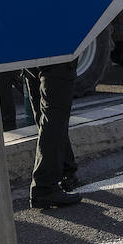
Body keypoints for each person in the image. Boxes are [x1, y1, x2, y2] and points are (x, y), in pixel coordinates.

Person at [21, 60, 81, 209]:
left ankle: (65, 170)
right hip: (57, 49)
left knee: (46, 115)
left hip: (29, 48)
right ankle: (45, 187)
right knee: (54, 116)